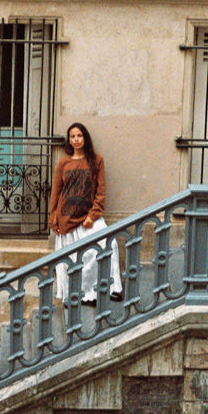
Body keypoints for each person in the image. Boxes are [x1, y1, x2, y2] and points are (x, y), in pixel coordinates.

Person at [49, 122, 123, 306]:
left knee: (109, 244)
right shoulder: (63, 162)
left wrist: (93, 214)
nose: (76, 139)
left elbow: (101, 191)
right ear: (69, 140)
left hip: (89, 217)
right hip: (67, 217)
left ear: (85, 138)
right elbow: (56, 192)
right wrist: (53, 216)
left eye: (79, 136)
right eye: (72, 136)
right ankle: (77, 294)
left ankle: (113, 289)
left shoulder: (96, 161)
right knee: (73, 258)